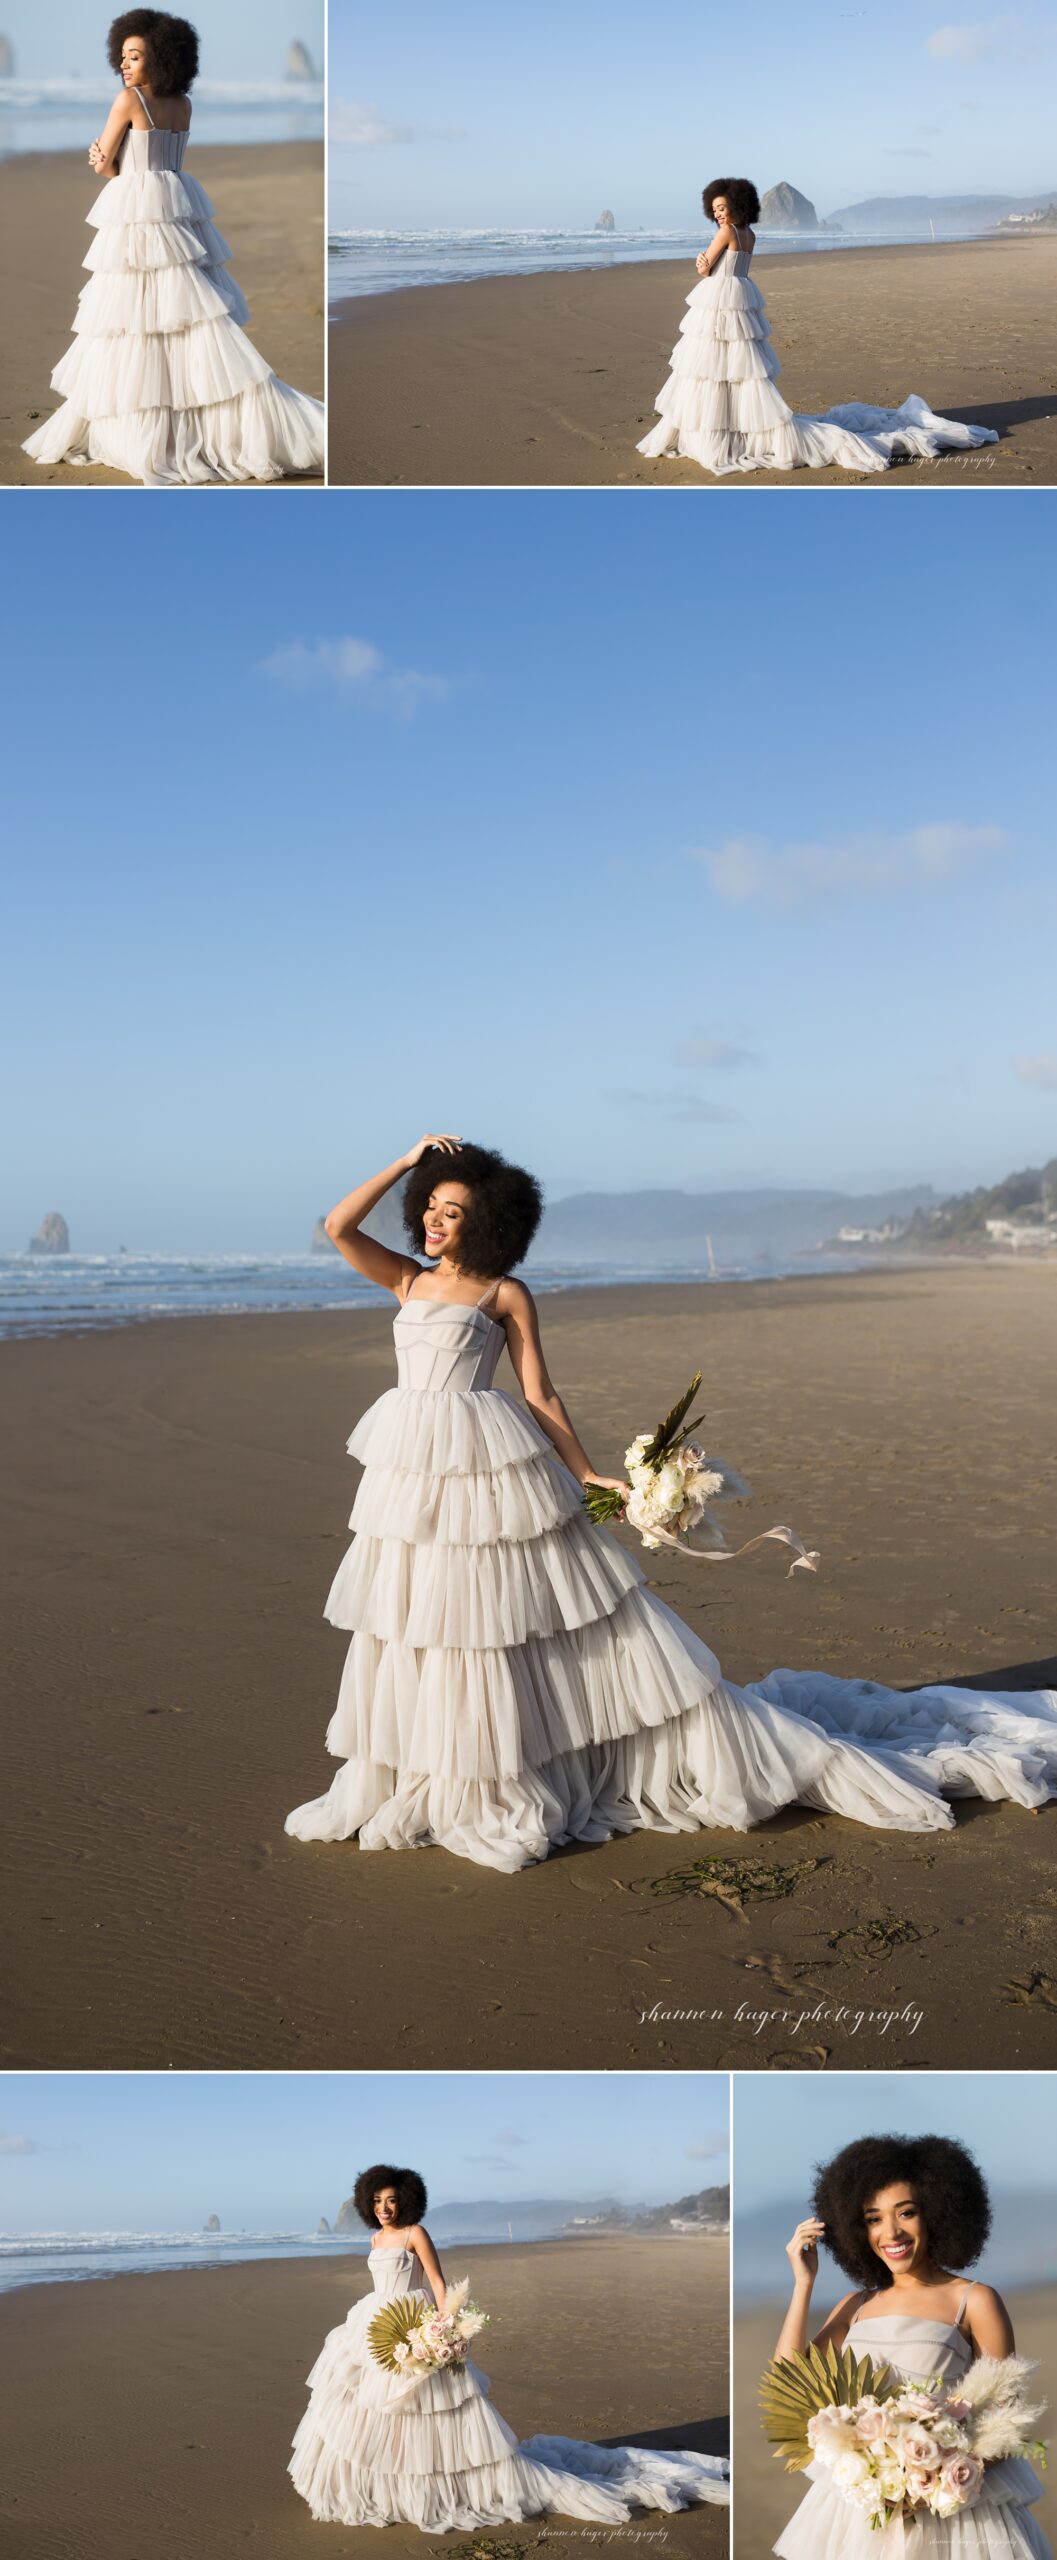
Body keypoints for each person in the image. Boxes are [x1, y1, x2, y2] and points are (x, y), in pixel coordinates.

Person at [284, 1132, 1057, 1873]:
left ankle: (497, 1772)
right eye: (430, 1206)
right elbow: (336, 1224)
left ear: (484, 1223)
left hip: (486, 1461)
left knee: (494, 1619)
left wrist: (588, 1476)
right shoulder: (406, 1280)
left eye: (452, 1211)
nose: (434, 1220)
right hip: (410, 1468)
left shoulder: (502, 1293)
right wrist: (405, 1159)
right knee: (420, 1615)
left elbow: (539, 1393)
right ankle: (434, 1764)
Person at [288, 2161, 729, 2530]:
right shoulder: (376, 2238)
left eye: (392, 2199)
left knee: (432, 2408)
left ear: (405, 2200)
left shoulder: (414, 2234)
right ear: (369, 2202)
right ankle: (388, 2484)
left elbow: (438, 2284)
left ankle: (449, 2480)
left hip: (415, 2321)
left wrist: (444, 2329)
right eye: (378, 2201)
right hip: (377, 2323)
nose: (385, 2208)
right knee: (373, 2408)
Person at [23, 10, 323, 485]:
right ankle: (192, 422)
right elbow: (165, 159)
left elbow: (109, 166)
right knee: (187, 320)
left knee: (135, 321)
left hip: (138, 215)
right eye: (122, 56)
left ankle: (144, 426)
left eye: (135, 56)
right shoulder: (183, 104)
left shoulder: (128, 102)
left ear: (158, 57)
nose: (125, 64)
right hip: (175, 206)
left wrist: (99, 159)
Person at [772, 2133, 1051, 2556]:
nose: (891, 2232)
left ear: (937, 2213)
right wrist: (803, 2284)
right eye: (873, 2219)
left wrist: (929, 2481)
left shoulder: (975, 2300)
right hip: (859, 2510)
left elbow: (1004, 2420)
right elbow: (788, 2382)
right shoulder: (856, 2305)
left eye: (906, 2212)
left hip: (952, 2513)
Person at [637, 177, 999, 476]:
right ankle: (734, 425)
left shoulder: (728, 232)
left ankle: (720, 429)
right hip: (740, 296)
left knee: (713, 368)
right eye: (714, 209)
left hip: (721, 299)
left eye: (722, 207)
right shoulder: (749, 234)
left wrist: (702, 262)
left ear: (736, 206)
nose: (718, 214)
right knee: (735, 368)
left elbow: (705, 269)